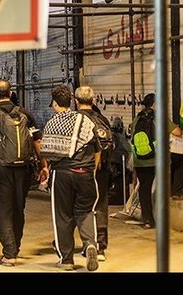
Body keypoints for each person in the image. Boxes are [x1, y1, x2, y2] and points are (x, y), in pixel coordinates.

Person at [0, 80, 41, 267]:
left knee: (2, 209)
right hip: (23, 169)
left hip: (0, 169)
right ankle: (15, 247)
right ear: (11, 93)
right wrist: (44, 165)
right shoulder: (25, 114)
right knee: (18, 208)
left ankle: (9, 252)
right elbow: (37, 141)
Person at [39, 85, 100, 271]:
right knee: (86, 211)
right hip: (85, 173)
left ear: (55, 104)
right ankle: (90, 244)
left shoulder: (52, 123)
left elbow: (46, 151)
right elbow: (97, 148)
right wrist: (91, 170)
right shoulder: (85, 121)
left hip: (62, 174)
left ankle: (66, 260)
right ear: (72, 102)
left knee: (63, 215)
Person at [75, 86, 114, 261]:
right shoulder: (102, 119)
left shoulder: (74, 119)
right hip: (101, 171)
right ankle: (100, 246)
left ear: (76, 101)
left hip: (79, 169)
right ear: (94, 101)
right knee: (100, 207)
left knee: (75, 206)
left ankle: (76, 242)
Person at [132, 93, 157, 228]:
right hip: (155, 159)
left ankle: (147, 219)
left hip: (139, 160)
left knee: (144, 189)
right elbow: (176, 132)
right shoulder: (159, 117)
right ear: (154, 104)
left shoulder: (137, 119)